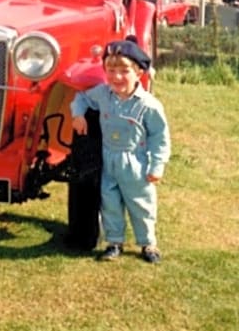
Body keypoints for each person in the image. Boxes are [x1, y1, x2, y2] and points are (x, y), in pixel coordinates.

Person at [70, 39, 171, 263]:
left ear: (139, 72)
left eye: (124, 71)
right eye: (111, 70)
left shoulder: (148, 105)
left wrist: (157, 166)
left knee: (141, 203)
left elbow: (159, 137)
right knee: (110, 203)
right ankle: (114, 242)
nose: (116, 77)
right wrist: (78, 115)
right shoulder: (104, 94)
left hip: (136, 162)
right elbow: (82, 97)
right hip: (109, 160)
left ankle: (148, 243)